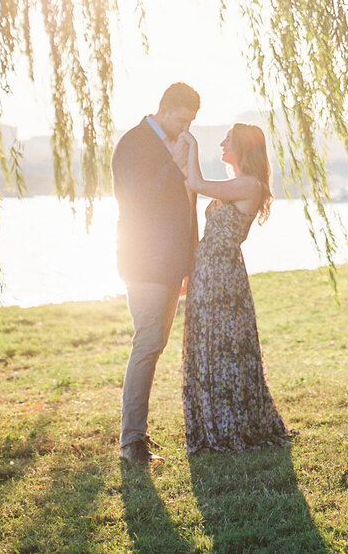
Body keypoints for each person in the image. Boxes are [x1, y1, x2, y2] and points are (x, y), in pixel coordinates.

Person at [178, 121, 290, 453]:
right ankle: (209, 420)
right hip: (208, 269)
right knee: (207, 344)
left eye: (228, 141)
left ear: (242, 148)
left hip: (222, 276)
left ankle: (228, 424)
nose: (222, 145)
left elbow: (196, 183)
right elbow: (191, 186)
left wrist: (191, 143)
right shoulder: (236, 183)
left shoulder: (249, 185)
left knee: (223, 347)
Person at [112, 82, 201, 466]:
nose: (186, 127)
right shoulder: (134, 144)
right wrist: (175, 166)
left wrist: (188, 264)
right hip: (144, 261)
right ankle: (131, 443)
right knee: (146, 344)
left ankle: (137, 437)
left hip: (168, 265)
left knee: (153, 346)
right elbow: (137, 198)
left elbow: (185, 208)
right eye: (182, 119)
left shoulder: (171, 145)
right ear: (164, 109)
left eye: (191, 121)